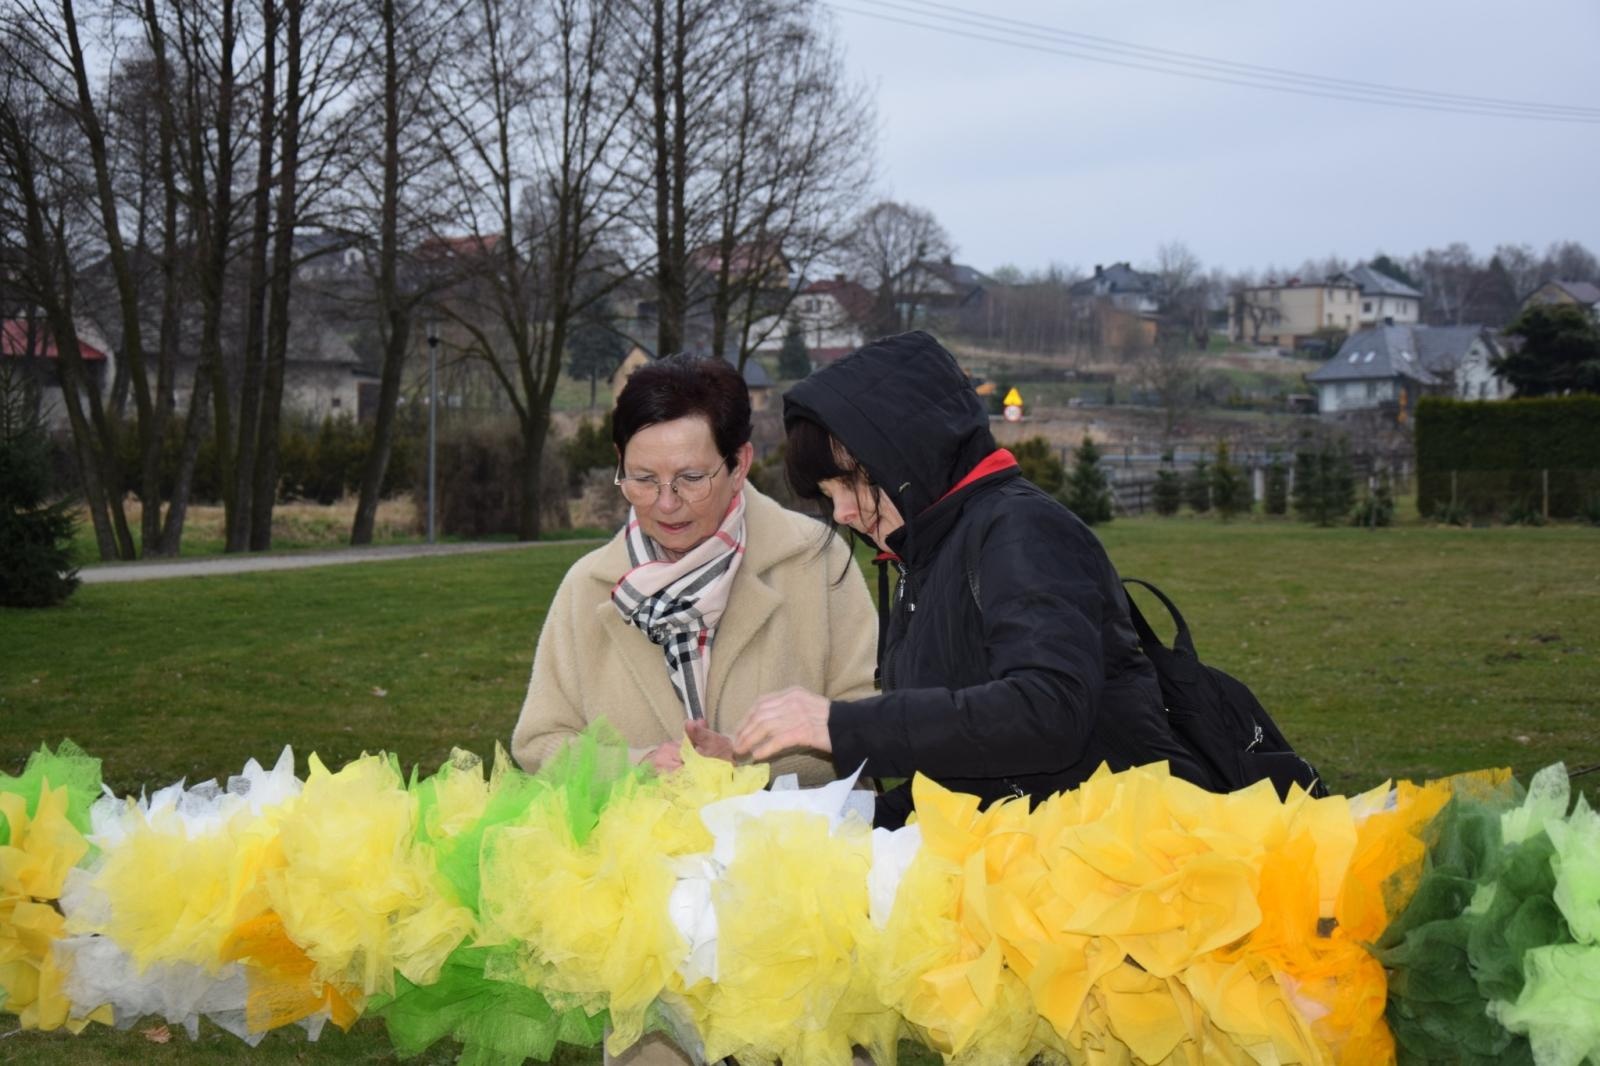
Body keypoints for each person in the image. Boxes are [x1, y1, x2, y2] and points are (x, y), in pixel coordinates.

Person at [512, 354, 879, 1063]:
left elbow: (869, 716)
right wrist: (633, 768)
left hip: (802, 931)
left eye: (690, 478)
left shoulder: (818, 563)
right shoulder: (587, 587)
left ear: (740, 464)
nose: (665, 503)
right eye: (641, 479)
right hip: (652, 945)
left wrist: (753, 763)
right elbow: (540, 744)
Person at [732, 330, 1210, 828]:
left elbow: (1048, 712)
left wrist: (842, 726)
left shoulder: (1021, 530)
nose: (843, 512)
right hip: (1026, 841)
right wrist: (801, 818)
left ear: (910, 456)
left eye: (851, 482)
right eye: (829, 494)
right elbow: (962, 778)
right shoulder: (926, 555)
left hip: (1117, 840)